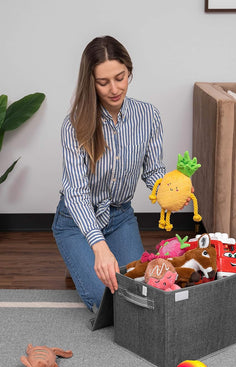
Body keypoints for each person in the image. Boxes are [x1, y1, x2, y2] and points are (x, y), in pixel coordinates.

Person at [52, 35, 166, 311]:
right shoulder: (74, 124)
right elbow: (76, 192)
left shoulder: (148, 115)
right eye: (103, 82)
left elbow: (152, 170)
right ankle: (80, 254)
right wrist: (99, 247)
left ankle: (86, 260)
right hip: (78, 221)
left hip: (119, 217)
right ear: (90, 82)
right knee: (108, 303)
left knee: (142, 295)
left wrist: (165, 190)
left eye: (120, 77)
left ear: (129, 71)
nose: (114, 88)